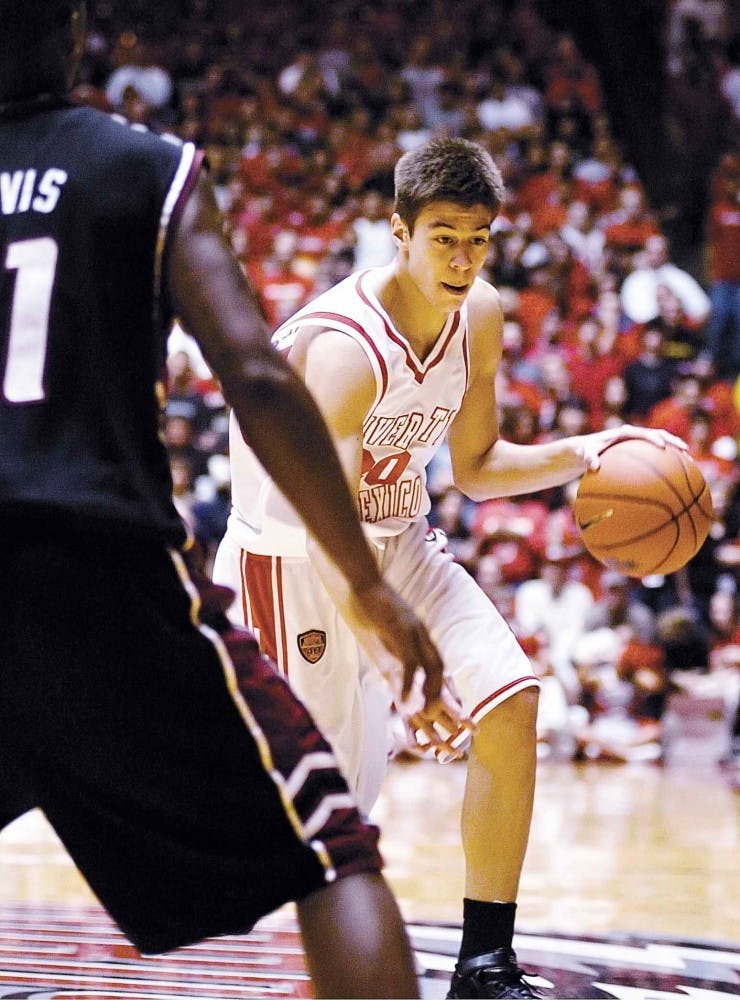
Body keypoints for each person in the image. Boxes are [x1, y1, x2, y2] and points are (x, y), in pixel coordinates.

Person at [0, 5, 466, 997]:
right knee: (330, 845)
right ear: (71, 31)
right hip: (93, 560)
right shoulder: (141, 168)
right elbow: (254, 373)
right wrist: (365, 581)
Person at [213, 136, 686, 999]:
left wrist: (591, 449)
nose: (463, 258)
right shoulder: (345, 351)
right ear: (398, 231)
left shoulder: (483, 317)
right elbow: (329, 535)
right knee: (334, 820)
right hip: (295, 565)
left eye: (477, 238)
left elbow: (474, 467)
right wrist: (403, 670)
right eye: (443, 237)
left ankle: (484, 964)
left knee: (512, 699)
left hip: (400, 534)